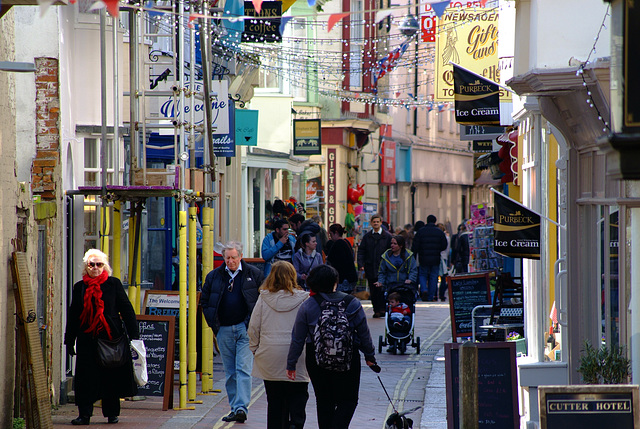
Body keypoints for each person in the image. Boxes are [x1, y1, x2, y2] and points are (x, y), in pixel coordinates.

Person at [286, 265, 377, 429]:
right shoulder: (352, 303)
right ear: (335, 282)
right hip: (348, 357)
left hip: (316, 358)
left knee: (324, 401)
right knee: (348, 400)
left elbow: (297, 338)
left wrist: (291, 363)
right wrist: (369, 356)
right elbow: (364, 333)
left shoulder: (308, 306)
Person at [64, 249, 139, 425]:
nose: (95, 268)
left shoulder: (113, 284)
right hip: (87, 339)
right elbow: (74, 315)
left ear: (105, 266)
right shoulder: (79, 287)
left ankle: (112, 413)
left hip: (110, 339)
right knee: (85, 378)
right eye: (92, 264)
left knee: (111, 377)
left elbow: (127, 311)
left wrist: (135, 337)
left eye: (99, 264)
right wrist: (69, 340)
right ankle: (84, 415)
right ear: (86, 267)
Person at [201, 241, 265, 423]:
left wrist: (250, 324)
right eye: (227, 258)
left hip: (246, 330)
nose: (230, 261)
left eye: (234, 257)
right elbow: (205, 301)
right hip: (224, 330)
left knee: (243, 370)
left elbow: (261, 301)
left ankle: (241, 408)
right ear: (223, 258)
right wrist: (216, 326)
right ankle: (235, 407)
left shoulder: (254, 274)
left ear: (240, 256)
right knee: (230, 373)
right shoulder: (214, 276)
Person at [248, 261, 310, 429]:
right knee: (298, 399)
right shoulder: (304, 299)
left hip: (270, 354)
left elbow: (253, 327)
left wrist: (255, 349)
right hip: (298, 356)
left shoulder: (263, 298)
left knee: (275, 402)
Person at [357, 214, 392, 317]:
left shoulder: (387, 236)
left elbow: (391, 251)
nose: (376, 223)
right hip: (370, 267)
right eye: (374, 222)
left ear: (381, 223)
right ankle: (376, 310)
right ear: (371, 223)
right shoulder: (367, 237)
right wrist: (361, 264)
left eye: (378, 221)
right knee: (373, 290)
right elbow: (361, 251)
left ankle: (382, 309)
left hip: (383, 268)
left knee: (382, 290)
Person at [411, 214, 448, 302]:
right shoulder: (439, 232)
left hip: (423, 257)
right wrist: (437, 249)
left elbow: (415, 245)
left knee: (422, 274)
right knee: (433, 276)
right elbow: (444, 245)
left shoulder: (421, 231)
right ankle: (431, 296)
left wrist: (414, 254)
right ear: (435, 221)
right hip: (435, 258)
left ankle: (424, 289)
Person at [325, 223, 358, 294]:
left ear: (335, 233)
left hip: (343, 279)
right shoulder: (346, 242)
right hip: (350, 278)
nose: (330, 237)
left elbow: (335, 262)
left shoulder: (338, 244)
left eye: (330, 234)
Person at [437, 223, 451, 301]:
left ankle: (435, 294)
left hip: (437, 257)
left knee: (435, 275)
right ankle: (441, 294)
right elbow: (448, 249)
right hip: (444, 257)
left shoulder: (435, 237)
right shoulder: (447, 237)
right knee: (443, 276)